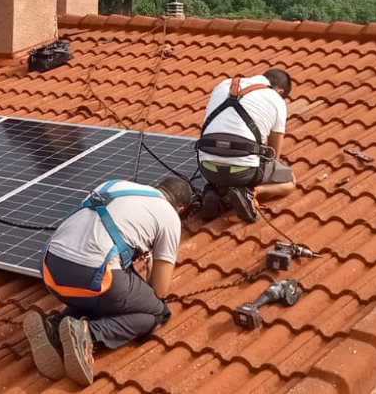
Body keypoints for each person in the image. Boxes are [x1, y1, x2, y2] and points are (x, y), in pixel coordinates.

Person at [22, 176, 193, 386]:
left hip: (51, 271)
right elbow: (160, 289)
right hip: (94, 277)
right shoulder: (170, 216)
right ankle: (89, 334)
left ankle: (54, 328)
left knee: (109, 293)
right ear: (181, 208)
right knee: (156, 311)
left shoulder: (115, 185)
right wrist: (150, 270)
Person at [194, 68, 297, 223]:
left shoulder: (223, 84)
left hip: (207, 169)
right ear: (280, 91)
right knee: (290, 182)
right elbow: (274, 155)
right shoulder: (276, 100)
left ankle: (211, 191)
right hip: (243, 171)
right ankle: (251, 193)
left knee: (218, 160)